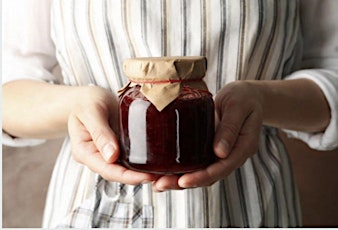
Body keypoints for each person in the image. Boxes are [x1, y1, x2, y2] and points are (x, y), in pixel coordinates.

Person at [3, 0, 338, 228]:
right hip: (92, 205)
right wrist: (76, 106)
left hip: (253, 206)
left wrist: (261, 99)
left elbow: (331, 70)